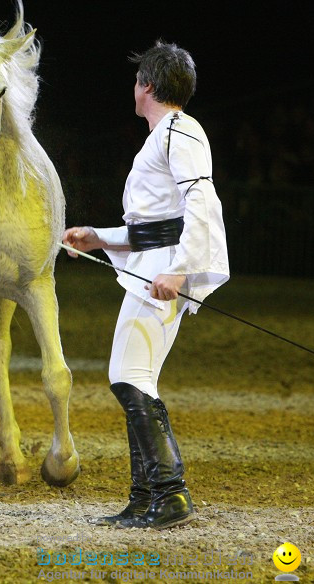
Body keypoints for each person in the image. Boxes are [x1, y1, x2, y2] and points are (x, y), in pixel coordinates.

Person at [62, 41, 230, 530]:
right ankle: (145, 496)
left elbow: (201, 203)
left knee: (130, 377)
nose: (133, 87)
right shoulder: (164, 136)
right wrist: (99, 237)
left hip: (163, 273)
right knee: (132, 377)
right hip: (153, 265)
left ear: (148, 86)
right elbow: (151, 224)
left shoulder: (180, 131)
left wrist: (180, 269)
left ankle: (170, 493)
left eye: (137, 79)